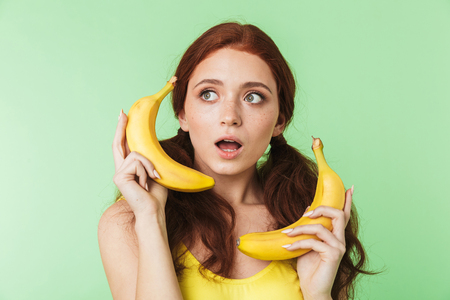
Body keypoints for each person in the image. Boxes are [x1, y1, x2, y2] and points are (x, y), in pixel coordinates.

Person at [98, 22, 377, 300]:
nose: (230, 116)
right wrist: (150, 219)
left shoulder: (311, 223)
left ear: (280, 120)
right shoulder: (126, 223)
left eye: (253, 97)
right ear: (182, 113)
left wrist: (319, 294)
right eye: (208, 94)